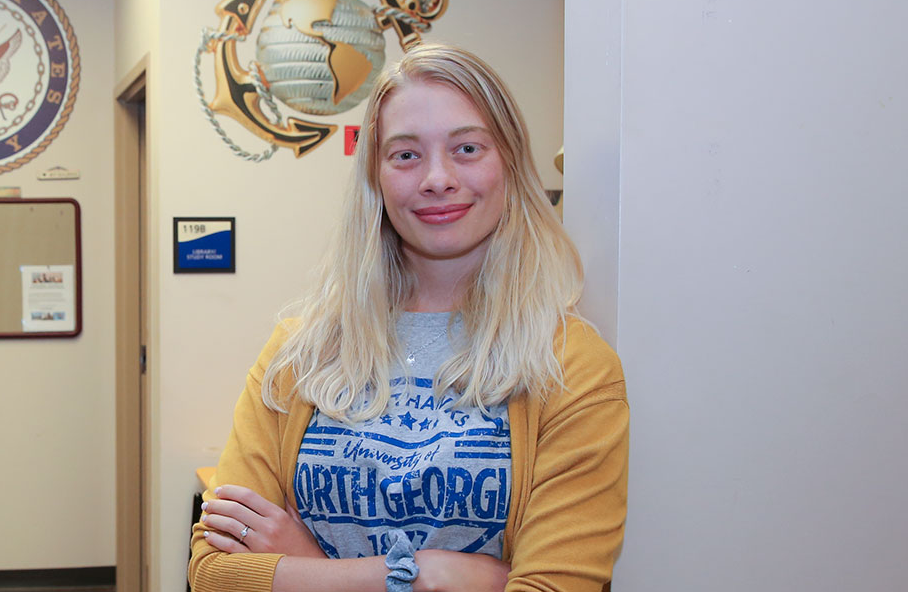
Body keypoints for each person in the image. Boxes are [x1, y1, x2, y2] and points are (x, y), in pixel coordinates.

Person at [188, 44, 629, 592]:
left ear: (510, 164)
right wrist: (427, 576)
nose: (437, 178)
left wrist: (306, 569)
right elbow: (216, 573)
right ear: (375, 176)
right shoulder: (301, 349)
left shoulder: (572, 366)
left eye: (467, 148)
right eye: (405, 155)